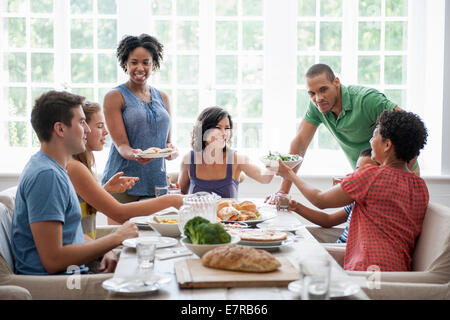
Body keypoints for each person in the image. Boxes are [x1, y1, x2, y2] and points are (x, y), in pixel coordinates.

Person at [276, 109, 429, 271]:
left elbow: (320, 200)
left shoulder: (371, 176)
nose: (370, 141)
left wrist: (289, 174)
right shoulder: (420, 186)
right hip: (398, 271)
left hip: (368, 270)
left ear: (387, 145)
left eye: (374, 136)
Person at [10, 90, 139, 275]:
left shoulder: (55, 169)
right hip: (61, 283)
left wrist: (103, 249)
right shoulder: (47, 176)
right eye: (81, 122)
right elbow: (53, 260)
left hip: (72, 274)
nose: (87, 129)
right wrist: (116, 237)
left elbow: (70, 235)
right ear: (60, 129)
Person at [271, 63, 418, 201]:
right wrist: (283, 190)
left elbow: (411, 131)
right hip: (367, 181)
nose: (318, 98)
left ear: (336, 82)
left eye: (323, 89)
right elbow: (300, 143)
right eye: (312, 93)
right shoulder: (317, 107)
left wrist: (394, 180)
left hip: (401, 178)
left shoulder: (367, 100)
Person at [67, 101, 183, 241]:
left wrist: (105, 190)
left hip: (85, 244)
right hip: (81, 253)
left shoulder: (81, 165)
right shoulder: (74, 167)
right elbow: (120, 213)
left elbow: (80, 211)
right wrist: (172, 200)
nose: (106, 132)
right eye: (99, 126)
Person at [101, 33, 177, 211]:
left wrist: (172, 151)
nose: (140, 68)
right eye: (134, 62)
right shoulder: (114, 96)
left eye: (146, 62)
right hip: (122, 183)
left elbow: (167, 143)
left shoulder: (163, 97)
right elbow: (121, 145)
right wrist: (135, 154)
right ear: (125, 63)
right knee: (120, 237)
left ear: (153, 64)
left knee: (157, 238)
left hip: (156, 184)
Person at [178, 106, 274, 198]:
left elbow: (264, 178)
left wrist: (275, 161)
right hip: (198, 215)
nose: (224, 133)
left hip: (229, 215)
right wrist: (174, 190)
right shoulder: (189, 159)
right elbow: (181, 194)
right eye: (218, 127)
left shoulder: (237, 159)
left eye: (227, 128)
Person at [289, 148, 377, 244]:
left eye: (366, 172)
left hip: (345, 252)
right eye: (357, 170)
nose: (359, 175)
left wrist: (289, 174)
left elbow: (320, 201)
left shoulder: (374, 205)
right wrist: (296, 207)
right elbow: (328, 220)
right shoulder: (355, 202)